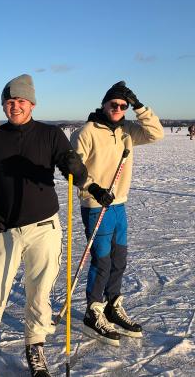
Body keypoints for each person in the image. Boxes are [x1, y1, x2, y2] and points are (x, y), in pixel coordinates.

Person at [0, 74, 87, 376]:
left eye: (20, 101)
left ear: (31, 103)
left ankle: (35, 345)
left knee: (39, 292)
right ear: (4, 105)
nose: (14, 106)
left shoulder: (51, 135)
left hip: (44, 228)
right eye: (9, 101)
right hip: (4, 228)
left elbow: (77, 177)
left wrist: (76, 169)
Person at [70, 81, 164, 345]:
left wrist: (139, 106)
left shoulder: (127, 130)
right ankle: (93, 310)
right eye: (114, 104)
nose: (118, 109)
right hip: (95, 205)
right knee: (102, 261)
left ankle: (113, 304)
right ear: (104, 104)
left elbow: (156, 134)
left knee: (119, 259)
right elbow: (73, 169)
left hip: (119, 204)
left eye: (123, 106)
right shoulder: (86, 132)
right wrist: (94, 188)